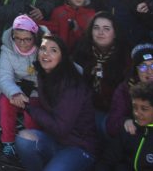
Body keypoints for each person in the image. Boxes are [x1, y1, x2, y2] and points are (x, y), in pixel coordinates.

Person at [15, 35, 98, 171]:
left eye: (53, 50)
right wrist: (23, 99)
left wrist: (30, 108)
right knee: (24, 139)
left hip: (78, 147)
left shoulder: (72, 84)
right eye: (43, 48)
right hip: (54, 141)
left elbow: (61, 128)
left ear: (62, 57)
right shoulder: (44, 75)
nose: (46, 53)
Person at [99, 82, 153, 171]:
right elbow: (106, 161)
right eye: (135, 107)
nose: (137, 113)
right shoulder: (129, 129)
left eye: (144, 109)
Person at [0, 15, 43, 158]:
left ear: (35, 37)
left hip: (37, 88)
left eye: (27, 39)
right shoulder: (7, 49)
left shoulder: (44, 46)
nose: (22, 43)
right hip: (16, 86)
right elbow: (4, 77)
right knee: (5, 101)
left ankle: (31, 144)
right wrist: (14, 93)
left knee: (32, 110)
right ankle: (8, 142)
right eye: (18, 38)